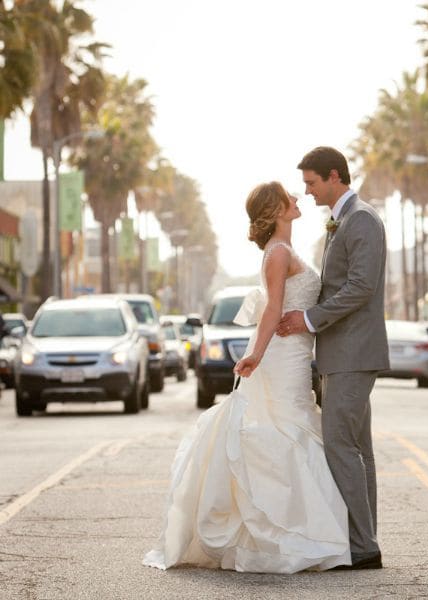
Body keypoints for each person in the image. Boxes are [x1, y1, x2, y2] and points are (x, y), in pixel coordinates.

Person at [143, 181, 351, 573]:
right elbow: (272, 310)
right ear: (275, 210)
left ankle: (302, 526)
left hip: (295, 352)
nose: (297, 196)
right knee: (286, 431)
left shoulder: (288, 251)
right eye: (289, 196)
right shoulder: (278, 254)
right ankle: (284, 531)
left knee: (293, 428)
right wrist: (255, 355)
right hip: (281, 355)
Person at [277, 146, 389, 570]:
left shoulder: (362, 220)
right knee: (358, 449)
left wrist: (307, 318)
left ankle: (362, 547)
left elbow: (360, 288)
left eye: (311, 183)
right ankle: (365, 541)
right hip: (341, 353)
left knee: (341, 446)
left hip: (353, 353)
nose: (307, 192)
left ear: (334, 177)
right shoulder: (343, 220)